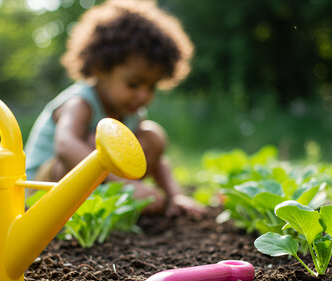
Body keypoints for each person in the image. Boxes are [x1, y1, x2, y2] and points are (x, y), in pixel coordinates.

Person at [24, 0, 204, 217]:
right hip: (44, 189)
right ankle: (106, 203)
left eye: (152, 87)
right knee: (97, 142)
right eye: (133, 84)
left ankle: (111, 208)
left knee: (151, 136)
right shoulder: (80, 102)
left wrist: (175, 195)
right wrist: (125, 184)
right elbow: (66, 146)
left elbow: (159, 162)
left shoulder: (130, 111)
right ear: (101, 68)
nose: (144, 95)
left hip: (91, 187)